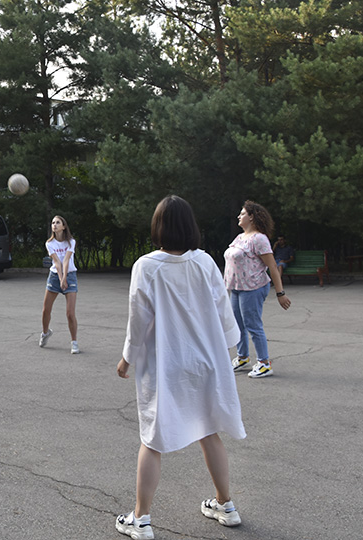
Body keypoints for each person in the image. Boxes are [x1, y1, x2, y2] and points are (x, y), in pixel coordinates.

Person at [115, 195, 246, 540]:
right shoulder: (204, 261)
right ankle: (226, 504)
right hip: (206, 361)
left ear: (158, 226)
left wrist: (127, 358)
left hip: (166, 365)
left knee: (152, 439)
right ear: (191, 226)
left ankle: (141, 519)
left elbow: (138, 319)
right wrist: (228, 348)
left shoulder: (147, 266)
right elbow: (223, 311)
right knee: (209, 430)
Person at [224, 200, 291, 379]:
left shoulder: (259, 239)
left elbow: (272, 266)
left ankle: (264, 363)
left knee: (253, 325)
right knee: (238, 325)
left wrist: (280, 293)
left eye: (242, 213)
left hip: (252, 288)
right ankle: (242, 357)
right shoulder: (240, 237)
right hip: (236, 288)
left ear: (252, 217)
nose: (239, 216)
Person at [39, 215, 79, 354]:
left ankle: (74, 342)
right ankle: (45, 333)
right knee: (46, 310)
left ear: (63, 226)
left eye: (57, 222)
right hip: (55, 276)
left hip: (70, 276)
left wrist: (65, 279)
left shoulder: (71, 242)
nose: (54, 225)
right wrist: (61, 279)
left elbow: (66, 260)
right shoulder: (50, 243)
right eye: (53, 223)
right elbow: (57, 262)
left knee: (70, 313)